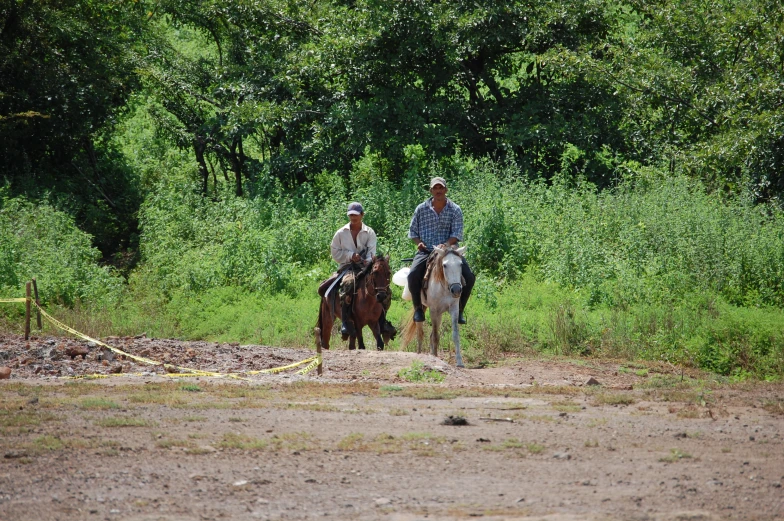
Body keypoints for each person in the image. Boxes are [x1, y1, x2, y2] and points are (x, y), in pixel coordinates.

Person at [318, 202, 395, 339]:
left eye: (356, 215)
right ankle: (346, 322)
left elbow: (372, 251)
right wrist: (350, 256)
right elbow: (334, 252)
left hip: (366, 267)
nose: (353, 218)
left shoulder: (369, 232)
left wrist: (366, 261)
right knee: (348, 284)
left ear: (362, 215)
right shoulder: (341, 233)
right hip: (347, 267)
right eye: (351, 215)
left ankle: (382, 321)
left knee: (385, 290)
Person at [407, 177, 475, 323]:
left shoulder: (455, 209)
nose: (438, 191)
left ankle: (460, 310)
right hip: (427, 251)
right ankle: (418, 309)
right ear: (431, 190)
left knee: (469, 277)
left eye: (441, 188)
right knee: (412, 275)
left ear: (446, 190)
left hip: (449, 251)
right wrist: (418, 243)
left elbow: (457, 233)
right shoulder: (421, 209)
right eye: (435, 188)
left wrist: (446, 244)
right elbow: (413, 232)